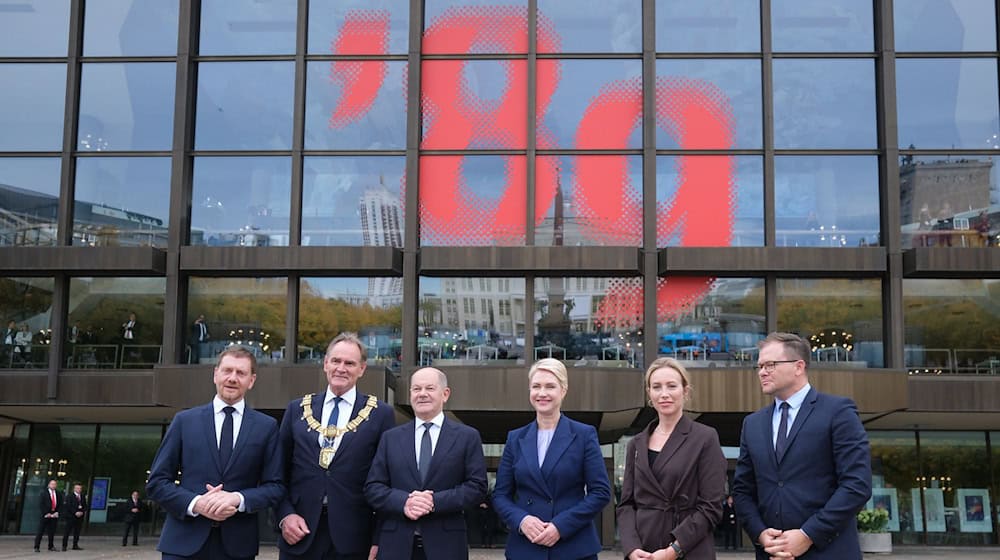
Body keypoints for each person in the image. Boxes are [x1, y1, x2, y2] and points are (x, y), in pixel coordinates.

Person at [732, 332, 872, 560]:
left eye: (770, 364)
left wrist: (808, 534)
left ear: (799, 366)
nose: (762, 372)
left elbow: (856, 485)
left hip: (829, 552)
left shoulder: (838, 412)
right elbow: (742, 490)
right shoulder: (752, 424)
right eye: (759, 366)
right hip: (771, 553)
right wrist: (759, 534)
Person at [146, 346, 285, 560]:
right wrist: (196, 504)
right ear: (215, 374)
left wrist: (237, 499)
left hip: (237, 547)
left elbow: (275, 487)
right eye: (227, 370)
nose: (232, 378)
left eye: (241, 373)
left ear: (252, 380)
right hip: (183, 545)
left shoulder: (266, 427)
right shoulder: (184, 421)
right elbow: (157, 482)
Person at [277, 332, 395, 560]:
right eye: (336, 361)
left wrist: (379, 538)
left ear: (362, 369)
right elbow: (277, 472)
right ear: (325, 364)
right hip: (299, 532)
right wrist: (285, 516)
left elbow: (387, 480)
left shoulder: (381, 414)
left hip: (354, 537)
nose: (341, 368)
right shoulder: (297, 409)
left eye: (349, 363)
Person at [492, 358, 611, 560]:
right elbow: (500, 495)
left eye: (550, 386)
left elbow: (600, 493)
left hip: (573, 547)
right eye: (536, 386)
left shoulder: (584, 435)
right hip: (526, 548)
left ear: (563, 390)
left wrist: (560, 526)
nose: (542, 393)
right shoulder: (515, 438)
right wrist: (522, 521)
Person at [364, 367, 487, 559]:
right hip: (396, 545)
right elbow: (373, 487)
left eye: (429, 388)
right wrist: (404, 502)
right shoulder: (390, 438)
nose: (422, 394)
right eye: (416, 389)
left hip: (446, 546)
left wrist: (433, 502)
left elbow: (477, 488)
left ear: (445, 394)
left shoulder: (467, 437)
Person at [616, 357, 726, 560]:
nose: (664, 394)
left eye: (671, 386)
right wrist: (631, 548)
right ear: (649, 393)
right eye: (656, 387)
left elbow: (711, 506)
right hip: (644, 550)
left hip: (689, 547)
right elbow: (626, 505)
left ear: (685, 391)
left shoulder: (704, 437)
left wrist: (674, 550)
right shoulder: (636, 444)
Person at [34, 479, 60, 553]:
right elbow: (41, 504)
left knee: (51, 532)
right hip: (45, 515)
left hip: (54, 515)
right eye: (52, 484)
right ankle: (36, 546)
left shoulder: (58, 493)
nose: (53, 485)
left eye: (55, 484)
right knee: (40, 531)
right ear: (49, 485)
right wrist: (46, 513)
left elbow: (60, 504)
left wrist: (57, 512)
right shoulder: (43, 493)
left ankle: (51, 546)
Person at [61, 482, 88, 551]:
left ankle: (75, 545)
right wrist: (75, 512)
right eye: (77, 488)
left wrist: (82, 512)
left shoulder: (82, 496)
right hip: (71, 517)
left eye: (80, 488)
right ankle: (64, 546)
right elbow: (68, 506)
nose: (79, 489)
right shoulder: (69, 496)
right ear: (74, 489)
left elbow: (85, 505)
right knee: (67, 531)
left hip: (79, 517)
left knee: (77, 532)